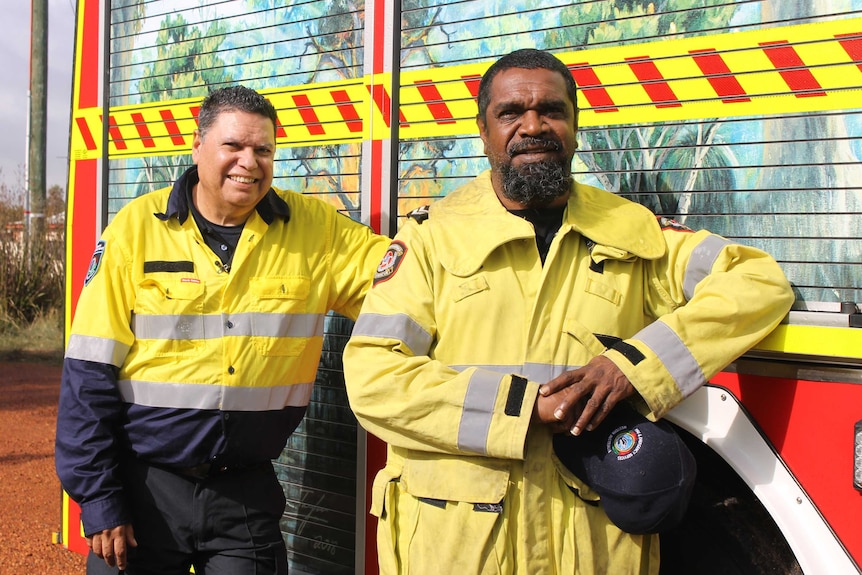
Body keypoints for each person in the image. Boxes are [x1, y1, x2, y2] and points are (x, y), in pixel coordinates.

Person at [342, 48, 794, 574]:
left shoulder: (633, 230)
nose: (532, 126)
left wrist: (632, 367)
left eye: (551, 111)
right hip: (461, 543)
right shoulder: (428, 240)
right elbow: (375, 376)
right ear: (483, 132)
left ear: (574, 127)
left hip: (590, 544)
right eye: (511, 113)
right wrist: (524, 407)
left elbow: (757, 281)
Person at [55, 85, 390, 574]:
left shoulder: (315, 229)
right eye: (233, 146)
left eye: (263, 151)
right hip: (144, 489)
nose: (249, 163)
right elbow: (87, 376)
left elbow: (399, 282)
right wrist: (101, 500)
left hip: (246, 495)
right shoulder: (134, 230)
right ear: (198, 148)